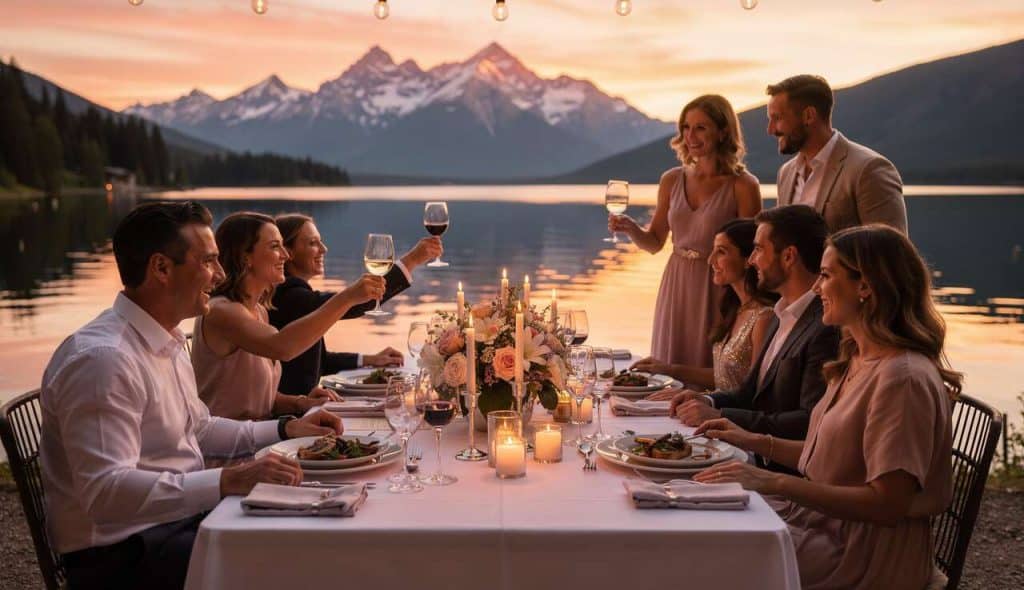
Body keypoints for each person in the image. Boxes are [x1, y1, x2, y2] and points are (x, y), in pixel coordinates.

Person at [39, 201, 342, 590]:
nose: (219, 275)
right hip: (124, 554)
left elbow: (198, 428)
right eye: (208, 262)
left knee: (322, 517)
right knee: (303, 558)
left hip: (177, 522)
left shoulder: (162, 339)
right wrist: (226, 481)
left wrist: (287, 429)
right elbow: (107, 493)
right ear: (161, 268)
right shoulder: (104, 360)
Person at [693, 224, 958, 589]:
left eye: (827, 275)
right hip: (820, 523)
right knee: (699, 507)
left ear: (865, 286)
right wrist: (751, 440)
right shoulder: (858, 359)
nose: (816, 288)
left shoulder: (902, 379)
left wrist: (772, 481)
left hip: (862, 553)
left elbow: (887, 504)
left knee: (709, 553)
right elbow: (833, 458)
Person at [669, 205, 838, 470]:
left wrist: (721, 415)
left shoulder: (825, 328)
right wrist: (706, 400)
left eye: (758, 249)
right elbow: (750, 392)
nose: (751, 260)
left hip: (782, 473)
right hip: (750, 458)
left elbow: (808, 420)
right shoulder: (781, 314)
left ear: (789, 256)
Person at [610, 94, 762, 368]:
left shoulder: (743, 186)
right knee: (667, 369)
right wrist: (631, 228)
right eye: (686, 128)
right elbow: (655, 242)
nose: (690, 136)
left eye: (700, 127)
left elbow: (753, 255)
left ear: (723, 131)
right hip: (676, 283)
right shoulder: (671, 180)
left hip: (719, 288)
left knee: (709, 369)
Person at [192, 211, 383, 420]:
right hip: (227, 446)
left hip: (259, 438)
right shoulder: (220, 311)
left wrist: (302, 402)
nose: (286, 254)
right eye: (275, 246)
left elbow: (261, 398)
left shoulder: (259, 312)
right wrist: (347, 297)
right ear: (245, 257)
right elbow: (282, 347)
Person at [270, 213, 442, 395]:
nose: (324, 249)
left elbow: (316, 359)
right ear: (287, 252)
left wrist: (368, 359)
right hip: (292, 415)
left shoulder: (292, 292)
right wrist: (412, 260)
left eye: (320, 241)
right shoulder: (290, 295)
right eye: (313, 243)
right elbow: (354, 305)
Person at [633, 218, 776, 391]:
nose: (710, 260)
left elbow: (753, 391)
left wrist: (705, 401)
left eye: (721, 252)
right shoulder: (735, 309)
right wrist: (667, 369)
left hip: (730, 415)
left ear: (748, 259)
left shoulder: (764, 317)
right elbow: (724, 378)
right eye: (712, 251)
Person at [767, 74, 908, 234]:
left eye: (777, 118)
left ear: (808, 116)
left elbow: (891, 250)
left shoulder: (869, 169)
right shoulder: (786, 173)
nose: (770, 130)